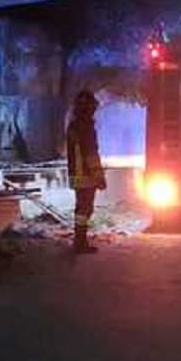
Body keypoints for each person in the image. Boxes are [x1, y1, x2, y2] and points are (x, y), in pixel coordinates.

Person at [66, 89, 107, 253]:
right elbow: (91, 153)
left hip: (76, 173)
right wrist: (99, 176)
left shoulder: (74, 125)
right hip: (86, 175)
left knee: (81, 209)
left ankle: (79, 240)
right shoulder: (86, 127)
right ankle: (80, 243)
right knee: (85, 209)